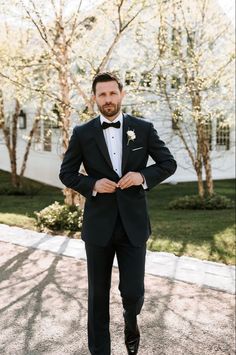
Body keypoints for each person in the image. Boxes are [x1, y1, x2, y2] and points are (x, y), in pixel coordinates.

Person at [59, 72, 177, 355]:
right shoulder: (82, 133)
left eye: (112, 93)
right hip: (98, 226)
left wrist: (141, 176)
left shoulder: (143, 129)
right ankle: (100, 351)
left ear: (121, 95)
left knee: (133, 291)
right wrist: (92, 184)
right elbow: (66, 173)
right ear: (95, 98)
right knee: (98, 295)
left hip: (133, 225)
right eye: (102, 95)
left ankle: (130, 319)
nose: (108, 99)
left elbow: (167, 163)